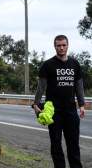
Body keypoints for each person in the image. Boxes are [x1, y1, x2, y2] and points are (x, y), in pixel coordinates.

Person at [33, 35, 85, 168]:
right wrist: (36, 104)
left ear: (68, 45)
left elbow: (79, 86)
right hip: (53, 111)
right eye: (58, 45)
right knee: (56, 144)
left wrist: (82, 104)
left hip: (71, 110)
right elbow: (41, 87)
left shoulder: (75, 64)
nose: (61, 48)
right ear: (54, 46)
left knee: (73, 144)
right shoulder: (47, 65)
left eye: (64, 45)